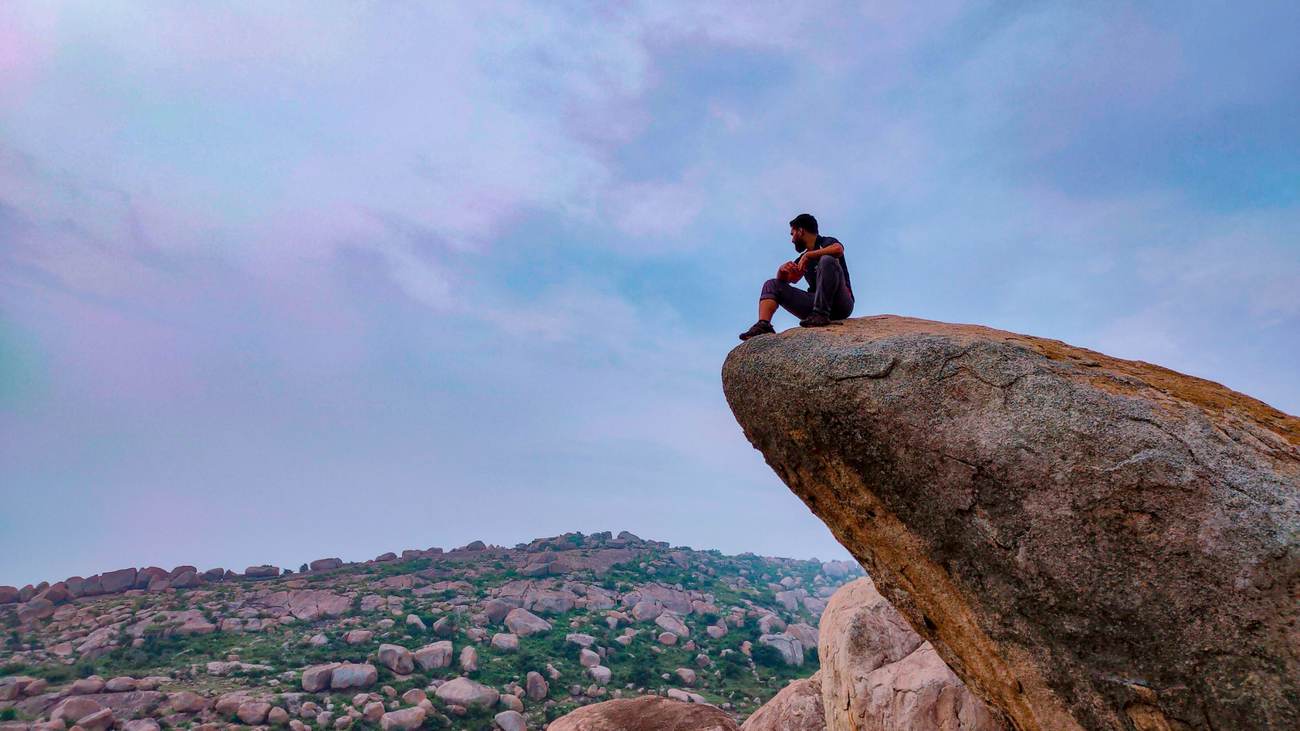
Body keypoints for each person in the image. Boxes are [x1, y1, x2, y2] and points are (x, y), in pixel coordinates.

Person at [739, 213, 854, 340]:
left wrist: (809, 255)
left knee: (827, 260)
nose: (792, 239)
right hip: (813, 304)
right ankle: (763, 325)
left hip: (840, 303)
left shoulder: (826, 242)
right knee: (771, 284)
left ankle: (821, 314)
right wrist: (782, 271)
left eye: (792, 234)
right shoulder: (802, 259)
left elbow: (838, 250)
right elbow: (786, 280)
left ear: (800, 231)